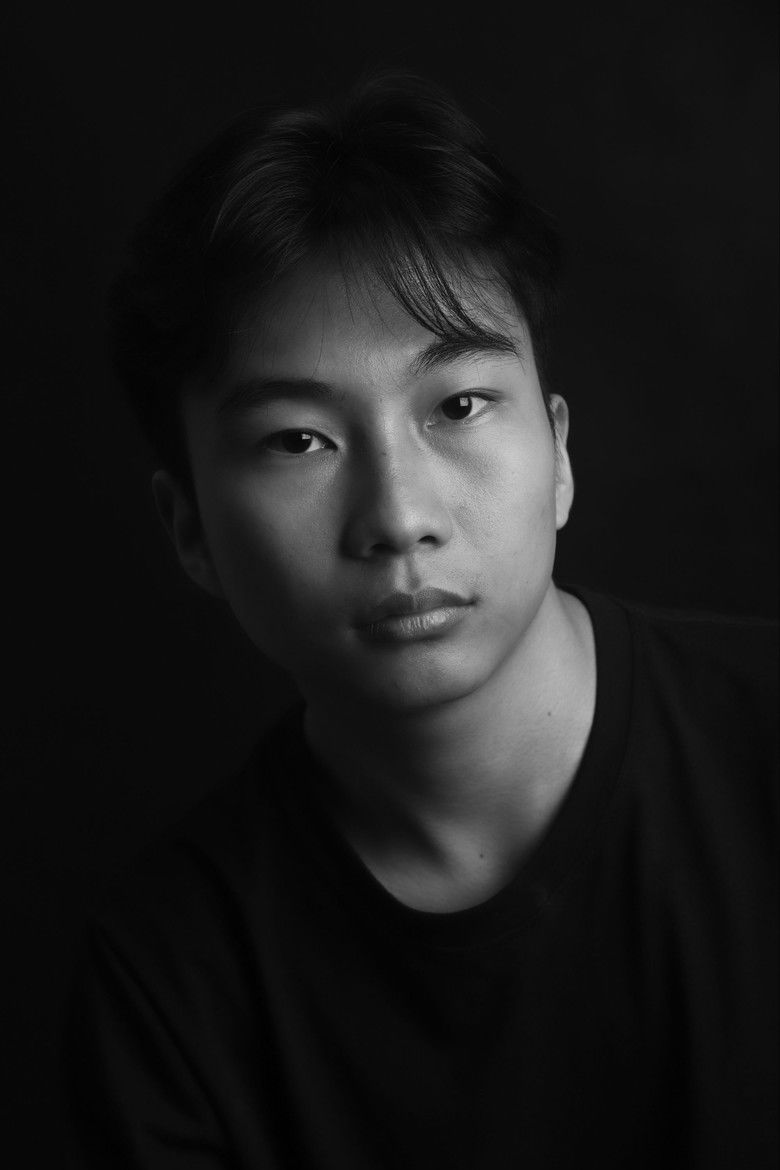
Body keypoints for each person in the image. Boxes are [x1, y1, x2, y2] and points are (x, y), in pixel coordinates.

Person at [63, 71, 777, 1169]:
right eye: (298, 440)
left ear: (559, 452)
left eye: (458, 405)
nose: (398, 518)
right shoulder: (169, 983)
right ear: (191, 529)